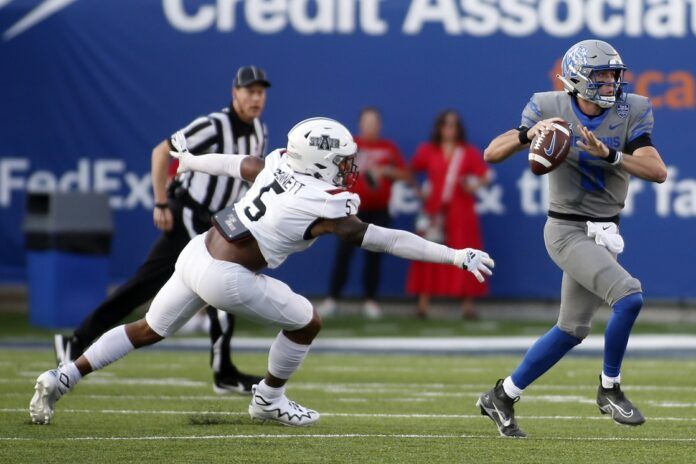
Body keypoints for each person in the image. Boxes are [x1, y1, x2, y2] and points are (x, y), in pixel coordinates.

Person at [29, 117, 495, 427]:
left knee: (147, 328)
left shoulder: (277, 163)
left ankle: (63, 376)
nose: (350, 167)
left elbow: (237, 164)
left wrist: (188, 161)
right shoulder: (326, 201)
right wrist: (456, 255)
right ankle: (268, 399)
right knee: (307, 320)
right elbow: (389, 239)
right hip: (226, 274)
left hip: (196, 253)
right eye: (342, 160)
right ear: (318, 161)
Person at [476, 40, 667, 437]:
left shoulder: (632, 109)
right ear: (579, 77)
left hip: (604, 230)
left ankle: (503, 396)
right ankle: (609, 388)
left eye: (615, 74)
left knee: (571, 330)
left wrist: (611, 155)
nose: (612, 82)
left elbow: (656, 170)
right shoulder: (547, 106)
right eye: (602, 74)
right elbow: (492, 154)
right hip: (565, 228)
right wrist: (530, 133)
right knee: (629, 296)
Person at [53, 65, 273, 395]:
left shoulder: (259, 131)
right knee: (158, 286)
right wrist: (160, 202)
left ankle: (223, 371)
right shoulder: (213, 125)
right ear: (235, 93)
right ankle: (76, 340)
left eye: (260, 92)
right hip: (189, 212)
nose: (255, 98)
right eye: (249, 91)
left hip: (219, 220)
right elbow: (162, 151)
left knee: (206, 290)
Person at [318, 107, 411, 319]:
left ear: (379, 125)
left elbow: (405, 174)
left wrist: (386, 171)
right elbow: (332, 172)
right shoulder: (349, 147)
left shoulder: (388, 148)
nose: (370, 126)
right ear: (360, 124)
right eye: (366, 122)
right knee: (343, 254)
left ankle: (370, 300)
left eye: (374, 122)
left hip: (379, 209)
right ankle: (332, 299)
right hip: (351, 209)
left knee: (374, 256)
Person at [406, 110, 490, 319]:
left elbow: (485, 175)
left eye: (454, 125)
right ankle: (423, 304)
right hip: (434, 211)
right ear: (439, 127)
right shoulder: (428, 150)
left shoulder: (468, 152)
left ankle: (467, 305)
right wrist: (419, 190)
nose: (450, 129)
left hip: (461, 212)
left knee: (466, 253)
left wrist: (473, 186)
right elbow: (410, 170)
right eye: (446, 124)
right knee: (426, 252)